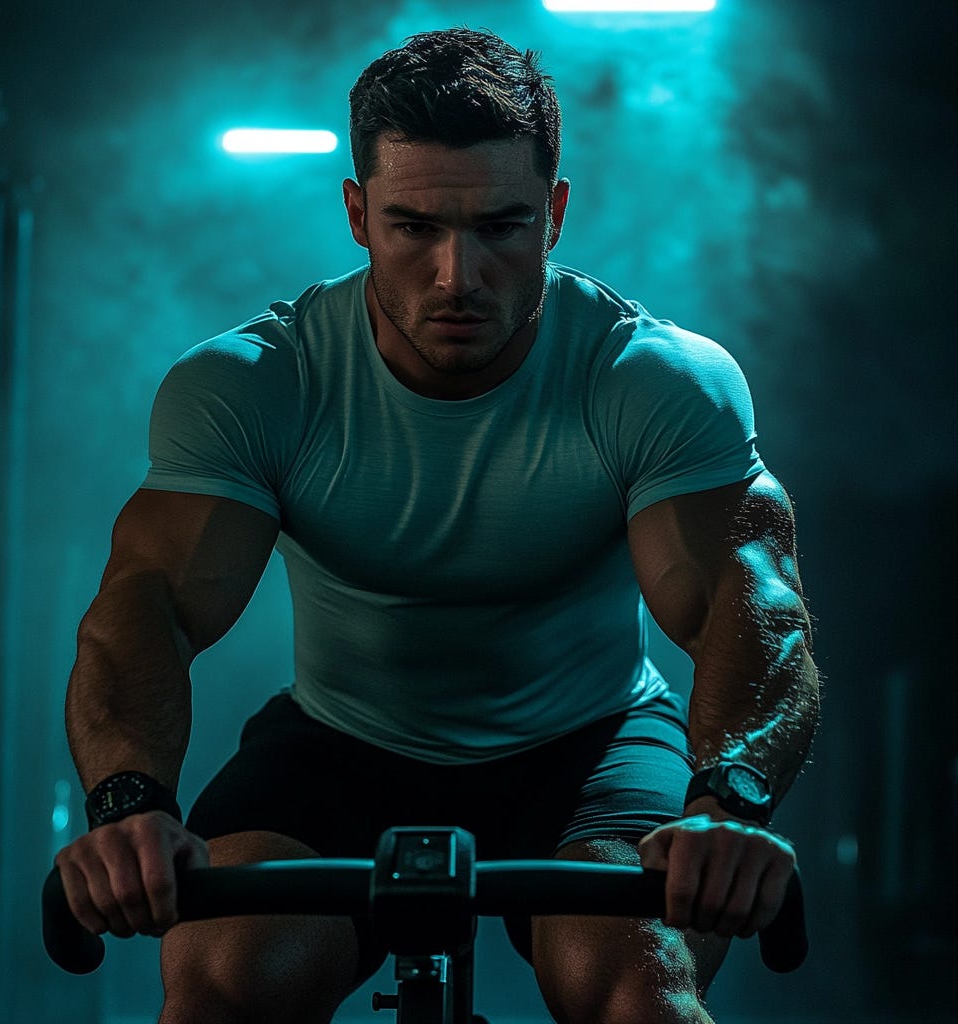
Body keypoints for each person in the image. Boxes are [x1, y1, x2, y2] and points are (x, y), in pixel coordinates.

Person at [54, 26, 820, 1024]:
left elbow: (752, 601)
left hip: (587, 747)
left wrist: (728, 805)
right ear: (357, 214)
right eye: (415, 228)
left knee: (643, 1000)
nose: (458, 278)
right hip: (338, 748)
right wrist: (128, 805)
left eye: (499, 227)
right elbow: (145, 604)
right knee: (218, 993)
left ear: (553, 215)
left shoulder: (651, 379)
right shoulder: (257, 383)